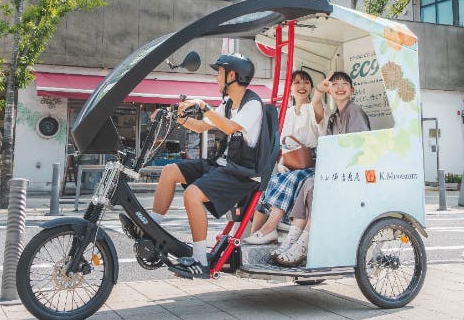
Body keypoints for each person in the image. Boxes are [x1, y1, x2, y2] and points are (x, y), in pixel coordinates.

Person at [149, 53, 263, 277]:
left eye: (219, 73)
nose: (216, 78)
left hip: (242, 174)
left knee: (192, 194)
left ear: (232, 75)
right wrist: (175, 117)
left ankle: (200, 260)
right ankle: (151, 228)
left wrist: (203, 105)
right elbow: (202, 126)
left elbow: (230, 127)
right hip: (222, 166)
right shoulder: (228, 103)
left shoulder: (253, 105)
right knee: (170, 171)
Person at [274, 71, 370, 266]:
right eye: (335, 84)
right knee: (308, 184)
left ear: (351, 90)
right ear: (330, 91)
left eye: (345, 84)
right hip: (338, 173)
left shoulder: (354, 111)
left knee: (318, 191)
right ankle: (292, 240)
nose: (340, 87)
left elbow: (360, 146)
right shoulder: (334, 117)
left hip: (353, 177)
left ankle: (303, 245)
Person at [243, 70, 325, 247]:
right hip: (291, 160)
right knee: (270, 181)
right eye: (296, 82)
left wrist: (319, 92)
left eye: (305, 82)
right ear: (289, 88)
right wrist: (281, 162)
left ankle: (269, 228)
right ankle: (253, 237)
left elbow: (319, 113)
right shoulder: (287, 112)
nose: (301, 86)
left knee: (292, 178)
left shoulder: (313, 107)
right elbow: (284, 143)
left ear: (311, 87)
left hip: (312, 162)